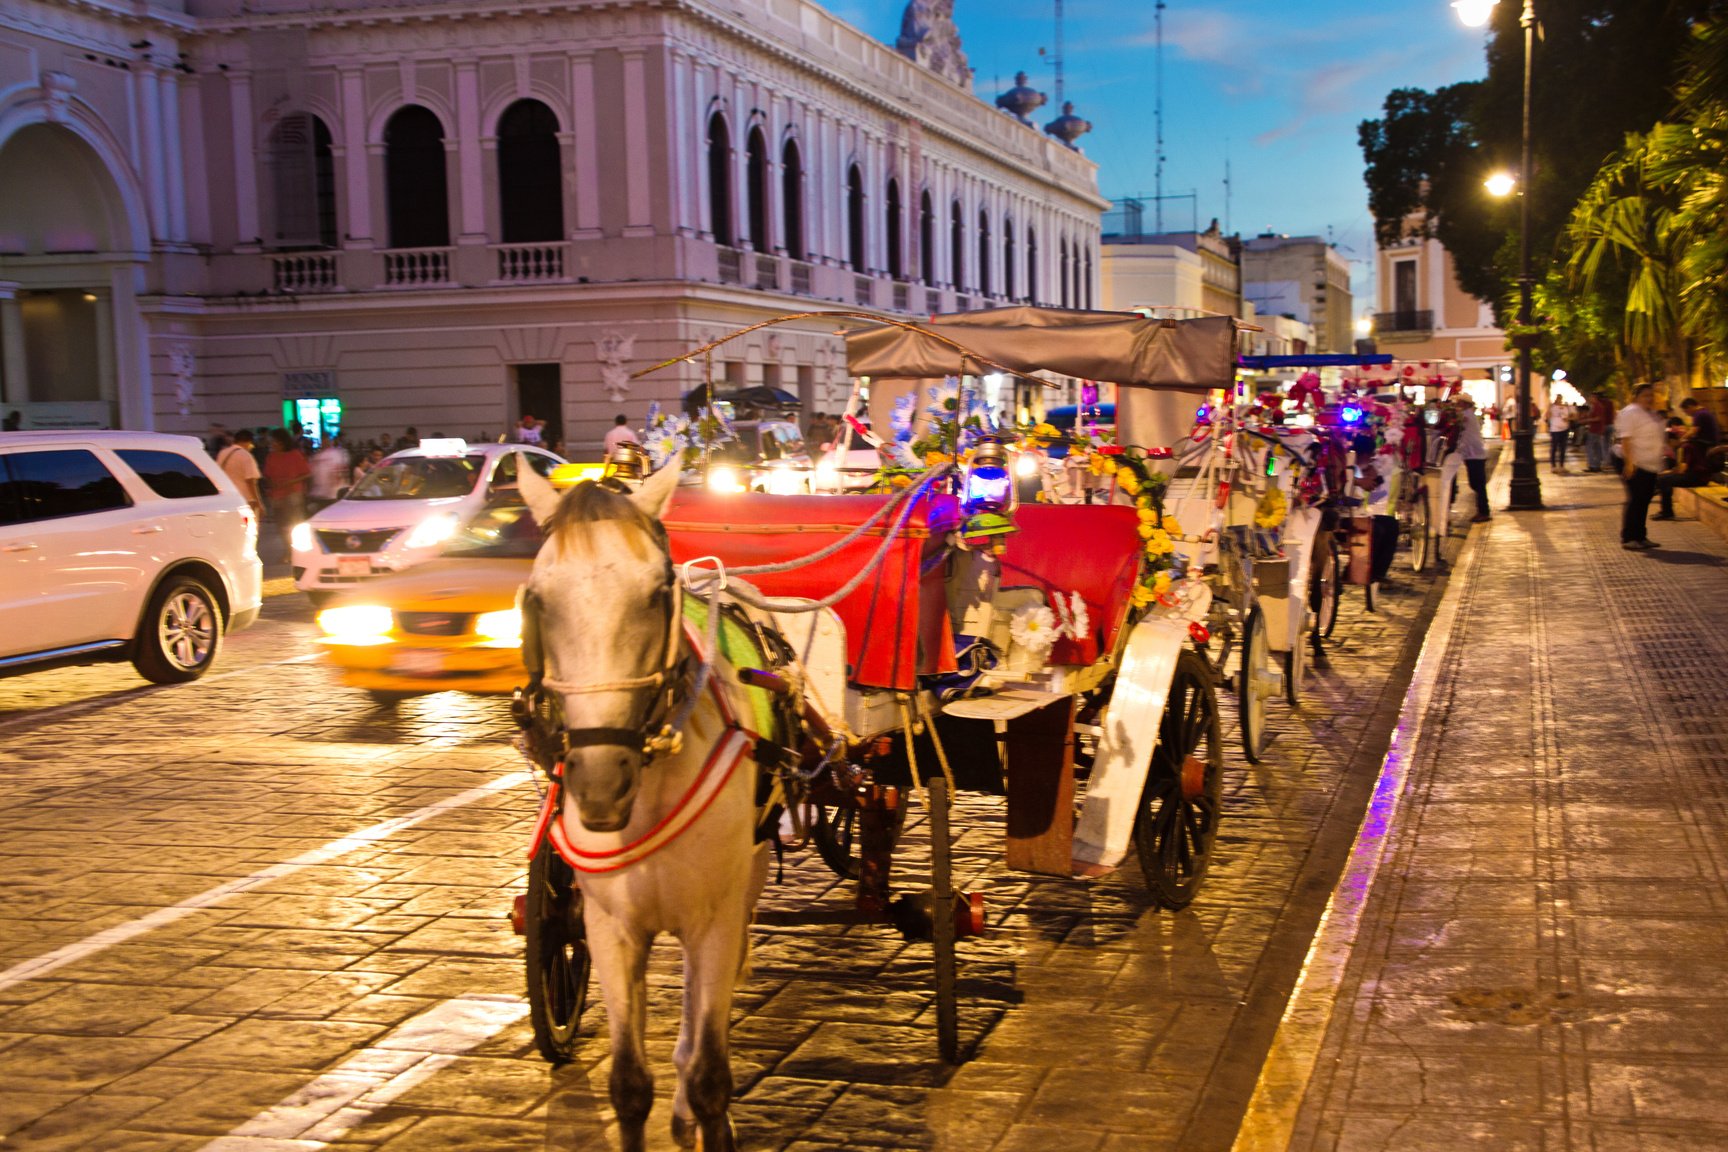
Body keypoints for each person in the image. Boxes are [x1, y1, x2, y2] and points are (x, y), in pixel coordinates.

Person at [1614, 383, 1667, 550]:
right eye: (1645, 395)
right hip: (1633, 461)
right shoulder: (1630, 412)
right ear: (1636, 396)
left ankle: (1641, 536)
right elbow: (1626, 439)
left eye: (1651, 395)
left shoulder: (1650, 413)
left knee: (1644, 498)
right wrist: (1629, 463)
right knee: (1637, 498)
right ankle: (1629, 537)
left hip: (1649, 463)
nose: (1650, 398)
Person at [263, 429, 312, 551]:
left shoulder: (295, 455)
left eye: (274, 442)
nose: (272, 444)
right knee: (281, 523)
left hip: (293, 493)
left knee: (294, 523)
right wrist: (271, 483)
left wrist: (291, 482)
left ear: (282, 442)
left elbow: (306, 473)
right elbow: (267, 475)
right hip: (276, 494)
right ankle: (287, 549)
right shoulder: (271, 456)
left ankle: (296, 549)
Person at [1653, 423, 1713, 521]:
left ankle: (1667, 512)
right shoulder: (1690, 444)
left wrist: (1669, 472)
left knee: (1663, 480)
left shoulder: (1686, 447)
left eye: (1670, 441)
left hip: (1697, 477)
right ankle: (1666, 510)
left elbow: (1682, 469)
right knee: (1663, 479)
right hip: (1698, 475)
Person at [1455, 395, 1491, 523]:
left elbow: (1458, 421)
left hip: (1475, 453)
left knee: (1478, 484)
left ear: (1464, 404)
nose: (1457, 405)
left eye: (1459, 403)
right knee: (1476, 484)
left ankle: (1483, 511)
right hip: (1472, 453)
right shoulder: (1469, 414)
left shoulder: (1467, 415)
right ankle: (1482, 510)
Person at [216, 428, 264, 522]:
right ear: (249, 442)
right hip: (245, 499)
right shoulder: (246, 455)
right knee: (249, 528)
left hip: (228, 498)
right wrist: (258, 503)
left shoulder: (223, 453)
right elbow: (251, 481)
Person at [309, 437, 350, 511]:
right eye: (323, 441)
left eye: (326, 440)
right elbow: (313, 474)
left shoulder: (337, 454)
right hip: (321, 494)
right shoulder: (317, 456)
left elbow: (341, 471)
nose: (324, 443)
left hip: (334, 493)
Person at [1584, 392, 1614, 472]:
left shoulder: (1598, 406)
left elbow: (1598, 418)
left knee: (1591, 447)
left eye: (1591, 397)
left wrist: (1587, 420)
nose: (1590, 399)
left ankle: (1593, 465)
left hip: (1595, 429)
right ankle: (1599, 464)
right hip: (1604, 427)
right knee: (1601, 446)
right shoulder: (1607, 403)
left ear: (1595, 398)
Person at [1545, 397, 1574, 473]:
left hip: (1565, 429)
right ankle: (1553, 466)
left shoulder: (1567, 407)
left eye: (1561, 398)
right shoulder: (1552, 407)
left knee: (1563, 448)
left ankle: (1561, 466)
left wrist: (1568, 419)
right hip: (1555, 430)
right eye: (1558, 398)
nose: (1560, 400)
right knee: (1554, 448)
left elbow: (1574, 416)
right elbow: (1547, 417)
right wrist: (1549, 408)